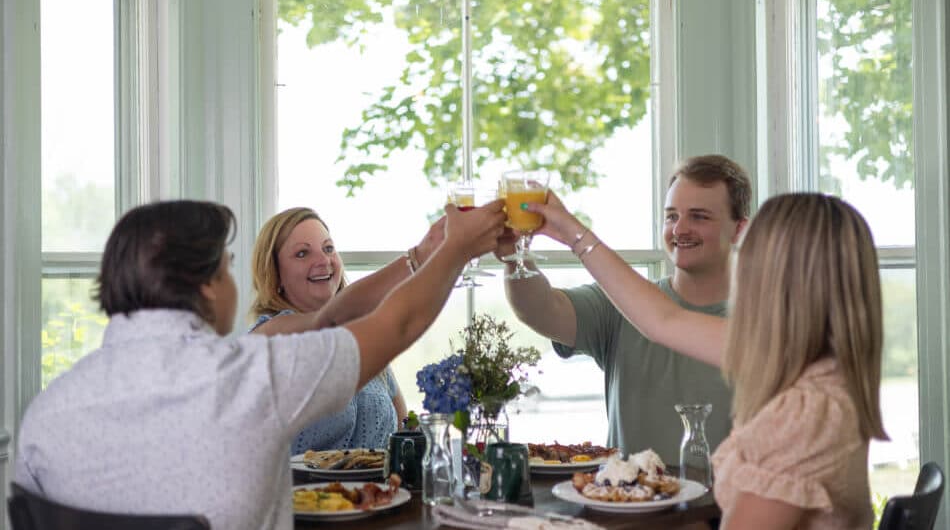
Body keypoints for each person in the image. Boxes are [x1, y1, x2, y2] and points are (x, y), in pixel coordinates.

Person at [14, 198, 506, 529]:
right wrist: (456, 249)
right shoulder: (255, 377)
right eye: (226, 267)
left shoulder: (44, 415)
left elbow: (336, 315)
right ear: (208, 284)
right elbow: (396, 325)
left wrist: (424, 253)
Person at [525, 191, 886, 529]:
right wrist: (571, 231)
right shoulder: (814, 366)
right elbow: (663, 321)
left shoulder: (805, 415)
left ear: (775, 280)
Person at [500, 155, 750, 461]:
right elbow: (538, 309)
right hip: (626, 502)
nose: (679, 229)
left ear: (739, 229)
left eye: (699, 216)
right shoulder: (621, 302)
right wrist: (515, 256)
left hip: (725, 506)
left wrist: (573, 232)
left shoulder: (763, 325)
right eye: (671, 216)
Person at [248, 207, 440, 452]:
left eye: (328, 249)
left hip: (378, 491)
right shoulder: (268, 336)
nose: (323, 261)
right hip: (299, 491)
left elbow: (405, 434)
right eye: (302, 253)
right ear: (275, 274)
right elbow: (327, 322)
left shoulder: (362, 338)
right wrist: (419, 257)